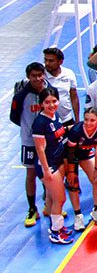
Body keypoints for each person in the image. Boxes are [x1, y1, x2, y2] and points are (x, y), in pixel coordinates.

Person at [11, 62, 49, 226]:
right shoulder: (21, 96)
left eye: (40, 75)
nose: (37, 79)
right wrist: (30, 130)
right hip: (29, 142)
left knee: (48, 172)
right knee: (31, 174)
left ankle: (49, 204)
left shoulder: (49, 91)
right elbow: (14, 117)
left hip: (48, 141)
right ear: (28, 77)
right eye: (34, 76)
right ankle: (32, 208)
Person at [31, 88, 71, 243]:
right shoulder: (40, 123)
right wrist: (46, 170)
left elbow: (58, 135)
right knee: (60, 199)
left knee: (53, 198)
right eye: (47, 102)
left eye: (54, 101)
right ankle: (56, 232)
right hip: (48, 165)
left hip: (57, 161)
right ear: (41, 104)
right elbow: (40, 148)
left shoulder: (55, 116)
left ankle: (57, 225)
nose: (51, 105)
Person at [65, 108, 97, 231]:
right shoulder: (76, 131)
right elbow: (70, 153)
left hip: (85, 153)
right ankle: (78, 215)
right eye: (86, 119)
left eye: (92, 120)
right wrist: (71, 172)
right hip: (69, 155)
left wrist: (96, 168)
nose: (88, 123)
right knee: (73, 183)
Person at [42, 47, 79, 128]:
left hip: (67, 119)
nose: (47, 63)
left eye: (51, 61)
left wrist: (77, 119)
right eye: (45, 60)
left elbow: (74, 97)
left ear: (60, 62)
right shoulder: (41, 75)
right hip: (47, 121)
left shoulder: (69, 73)